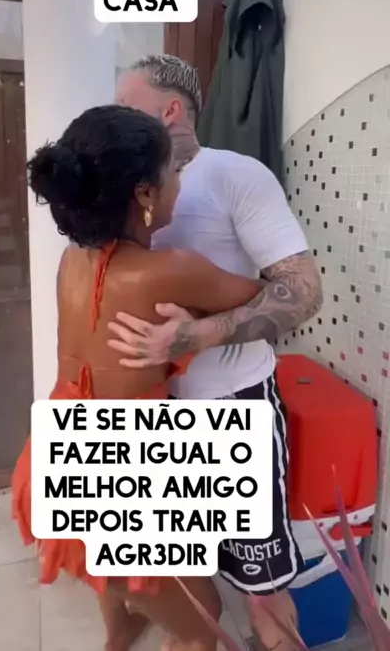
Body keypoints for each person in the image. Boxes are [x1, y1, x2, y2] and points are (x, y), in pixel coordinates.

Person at [12, 104, 265, 651]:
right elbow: (264, 297)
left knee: (108, 569)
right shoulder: (170, 269)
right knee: (205, 620)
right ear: (145, 194)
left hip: (57, 449)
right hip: (119, 472)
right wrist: (201, 321)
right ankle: (133, 627)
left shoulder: (72, 260)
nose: (181, 183)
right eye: (174, 170)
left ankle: (120, 630)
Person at [111, 55, 323, 651]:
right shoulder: (127, 188)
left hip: (234, 407)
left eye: (126, 104)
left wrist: (199, 335)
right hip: (152, 413)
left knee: (264, 595)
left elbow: (304, 290)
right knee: (183, 590)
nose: (114, 114)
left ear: (170, 109)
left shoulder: (236, 175)